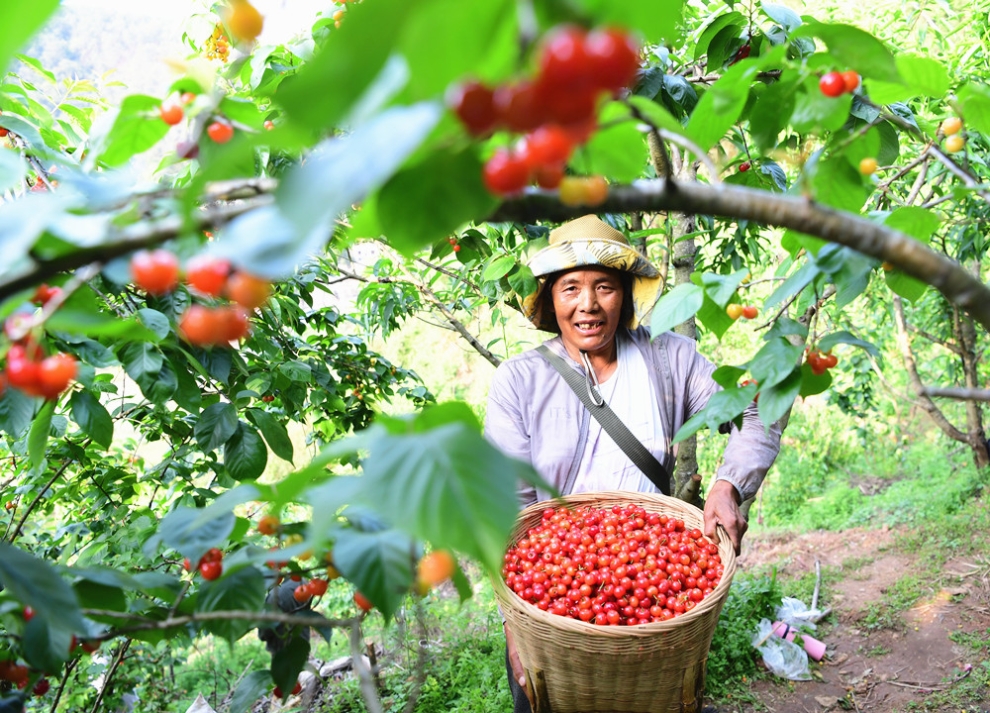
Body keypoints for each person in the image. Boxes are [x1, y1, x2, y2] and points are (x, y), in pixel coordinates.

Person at [483, 215, 782, 713]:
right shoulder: (520, 380)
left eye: (604, 286)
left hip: (650, 587)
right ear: (550, 299)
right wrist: (517, 628)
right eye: (570, 288)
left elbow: (756, 411)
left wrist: (730, 485)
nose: (588, 305)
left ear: (625, 293)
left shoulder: (673, 358)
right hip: (554, 613)